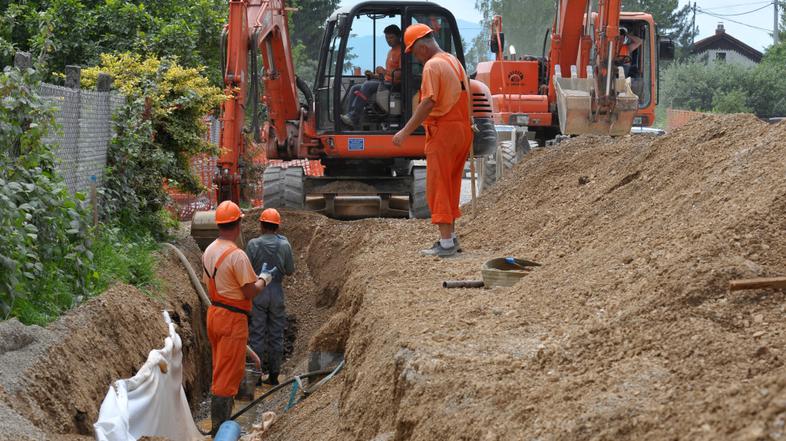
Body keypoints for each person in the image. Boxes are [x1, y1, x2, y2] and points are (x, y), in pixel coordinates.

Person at [392, 23, 473, 258]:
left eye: (413, 51)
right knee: (450, 185)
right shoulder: (453, 61)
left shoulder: (432, 66)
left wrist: (405, 132)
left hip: (444, 132)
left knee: (438, 187)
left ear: (422, 46)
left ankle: (446, 244)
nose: (414, 57)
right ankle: (451, 239)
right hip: (462, 131)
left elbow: (428, 102)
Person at [202, 200, 274, 435]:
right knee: (227, 375)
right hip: (233, 318)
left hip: (214, 314)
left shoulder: (209, 250)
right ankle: (220, 431)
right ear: (239, 223)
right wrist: (264, 279)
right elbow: (249, 291)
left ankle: (221, 424)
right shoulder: (237, 256)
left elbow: (210, 283)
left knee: (220, 368)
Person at [245, 208, 295, 386]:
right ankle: (274, 376)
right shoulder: (284, 245)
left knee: (257, 334)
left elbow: (246, 270)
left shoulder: (252, 244)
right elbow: (289, 270)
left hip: (258, 291)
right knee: (276, 334)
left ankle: (255, 377)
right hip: (276, 292)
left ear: (261, 224)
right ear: (277, 226)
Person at [341, 24, 403, 127]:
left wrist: (383, 71)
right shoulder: (390, 52)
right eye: (386, 38)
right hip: (385, 82)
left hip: (394, 85)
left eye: (391, 37)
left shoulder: (402, 52)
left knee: (367, 85)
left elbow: (400, 75)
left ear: (399, 36)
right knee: (354, 88)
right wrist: (374, 75)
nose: (388, 40)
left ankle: (354, 116)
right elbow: (387, 74)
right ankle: (350, 118)